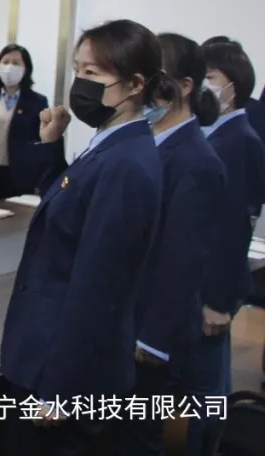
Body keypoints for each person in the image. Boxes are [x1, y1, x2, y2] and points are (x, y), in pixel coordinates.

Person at [0, 19, 164, 456]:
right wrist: (51, 145)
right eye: (77, 70)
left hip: (64, 373)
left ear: (135, 84)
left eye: (92, 73)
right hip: (42, 348)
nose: (80, 83)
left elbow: (99, 286)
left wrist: (60, 391)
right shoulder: (107, 143)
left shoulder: (126, 163)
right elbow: (69, 205)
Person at [117, 33, 225, 456]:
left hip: (151, 331)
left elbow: (182, 258)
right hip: (124, 315)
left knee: (139, 436)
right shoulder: (143, 141)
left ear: (184, 86)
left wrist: (153, 339)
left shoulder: (195, 160)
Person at [197, 42, 265, 426]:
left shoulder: (239, 140)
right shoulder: (217, 133)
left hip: (216, 287)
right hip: (207, 278)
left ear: (232, 86)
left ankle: (206, 442)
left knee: (207, 380)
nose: (202, 86)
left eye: (209, 78)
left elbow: (235, 226)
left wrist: (218, 301)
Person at [0, 44, 50, 199]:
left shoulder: (37, 101)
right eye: (5, 62)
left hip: (19, 175)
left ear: (26, 69)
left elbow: (39, 141)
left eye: (16, 63)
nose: (9, 67)